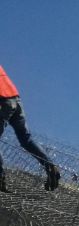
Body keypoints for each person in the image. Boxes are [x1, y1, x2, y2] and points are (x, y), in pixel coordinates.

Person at [0, 64, 60, 192]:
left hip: (3, 100)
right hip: (15, 98)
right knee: (26, 139)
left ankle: (0, 179)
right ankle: (50, 166)